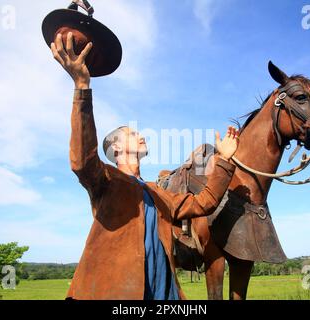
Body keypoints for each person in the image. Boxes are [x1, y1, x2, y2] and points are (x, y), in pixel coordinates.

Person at [50, 32, 240, 300]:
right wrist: (82, 87)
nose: (140, 135)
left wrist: (224, 160)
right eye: (130, 133)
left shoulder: (158, 193)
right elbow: (82, 160)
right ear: (116, 148)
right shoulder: (106, 180)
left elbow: (204, 203)